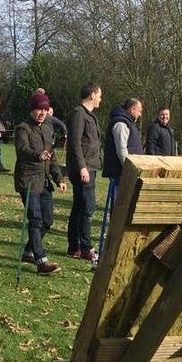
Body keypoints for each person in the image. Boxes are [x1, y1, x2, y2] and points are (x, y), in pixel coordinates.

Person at [14, 91, 67, 275]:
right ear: (32, 110)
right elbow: (22, 149)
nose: (42, 113)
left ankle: (28, 251)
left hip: (44, 182)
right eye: (38, 109)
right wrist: (38, 155)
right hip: (28, 181)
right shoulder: (23, 128)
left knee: (48, 220)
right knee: (35, 219)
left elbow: (51, 158)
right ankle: (41, 260)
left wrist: (58, 178)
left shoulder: (47, 129)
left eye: (45, 109)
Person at [66, 82, 102, 261]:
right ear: (92, 95)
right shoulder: (79, 114)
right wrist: (82, 167)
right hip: (84, 168)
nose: (100, 99)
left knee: (79, 206)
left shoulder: (89, 115)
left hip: (91, 167)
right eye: (99, 95)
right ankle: (86, 247)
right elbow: (75, 143)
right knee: (87, 207)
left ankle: (75, 246)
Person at [103, 98, 143, 187]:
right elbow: (121, 149)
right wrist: (129, 169)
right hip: (120, 172)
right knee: (120, 199)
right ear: (132, 110)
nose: (140, 115)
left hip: (125, 172)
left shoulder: (128, 123)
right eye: (139, 111)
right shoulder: (121, 123)